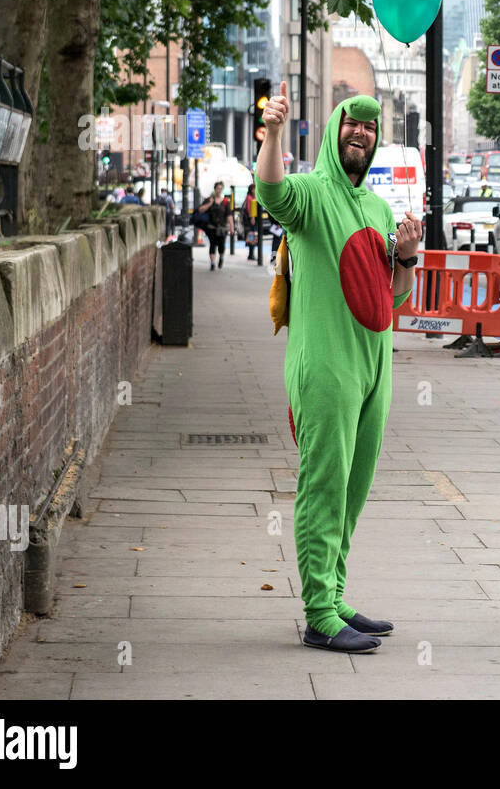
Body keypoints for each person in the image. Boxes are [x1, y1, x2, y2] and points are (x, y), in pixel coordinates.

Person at [255, 81, 419, 654]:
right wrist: (274, 134)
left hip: (375, 366)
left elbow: (394, 297)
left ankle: (335, 593)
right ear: (334, 131)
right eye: (353, 123)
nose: (362, 133)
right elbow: (270, 190)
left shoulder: (377, 207)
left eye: (372, 127)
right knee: (324, 483)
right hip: (326, 366)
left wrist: (405, 256)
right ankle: (318, 612)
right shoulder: (312, 194)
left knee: (354, 486)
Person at [197, 181, 234, 270]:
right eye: (218, 188)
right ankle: (213, 263)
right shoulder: (209, 199)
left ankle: (221, 258)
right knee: (212, 244)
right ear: (215, 189)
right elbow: (201, 210)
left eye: (221, 188)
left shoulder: (225, 201)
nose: (219, 190)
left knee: (221, 245)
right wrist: (210, 203)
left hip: (222, 228)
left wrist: (231, 227)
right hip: (211, 227)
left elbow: (229, 215)